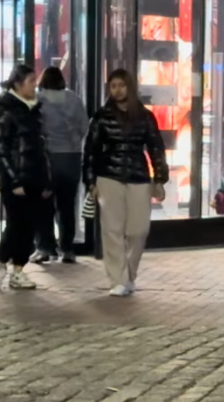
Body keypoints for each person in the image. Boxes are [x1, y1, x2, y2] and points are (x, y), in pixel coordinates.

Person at [83, 69, 168, 297]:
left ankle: (129, 274)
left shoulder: (145, 116)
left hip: (139, 176)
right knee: (112, 230)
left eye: (121, 85)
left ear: (129, 87)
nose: (117, 89)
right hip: (108, 176)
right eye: (113, 86)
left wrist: (159, 178)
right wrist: (90, 181)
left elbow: (156, 147)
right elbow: (90, 150)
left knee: (138, 230)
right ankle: (118, 279)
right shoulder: (101, 116)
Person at [0, 64, 52, 290]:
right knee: (16, 225)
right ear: (18, 84)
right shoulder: (7, 110)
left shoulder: (35, 110)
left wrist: (46, 178)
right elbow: (2, 149)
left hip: (35, 177)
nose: (35, 85)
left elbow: (42, 146)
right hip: (16, 179)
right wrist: (14, 179)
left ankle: (18, 271)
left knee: (28, 226)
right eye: (31, 81)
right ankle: (3, 261)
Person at [31, 66, 89, 264]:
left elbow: (34, 129)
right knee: (67, 206)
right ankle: (67, 249)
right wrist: (71, 142)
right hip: (72, 158)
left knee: (44, 205)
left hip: (48, 159)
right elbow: (84, 126)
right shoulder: (74, 99)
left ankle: (45, 248)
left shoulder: (38, 100)